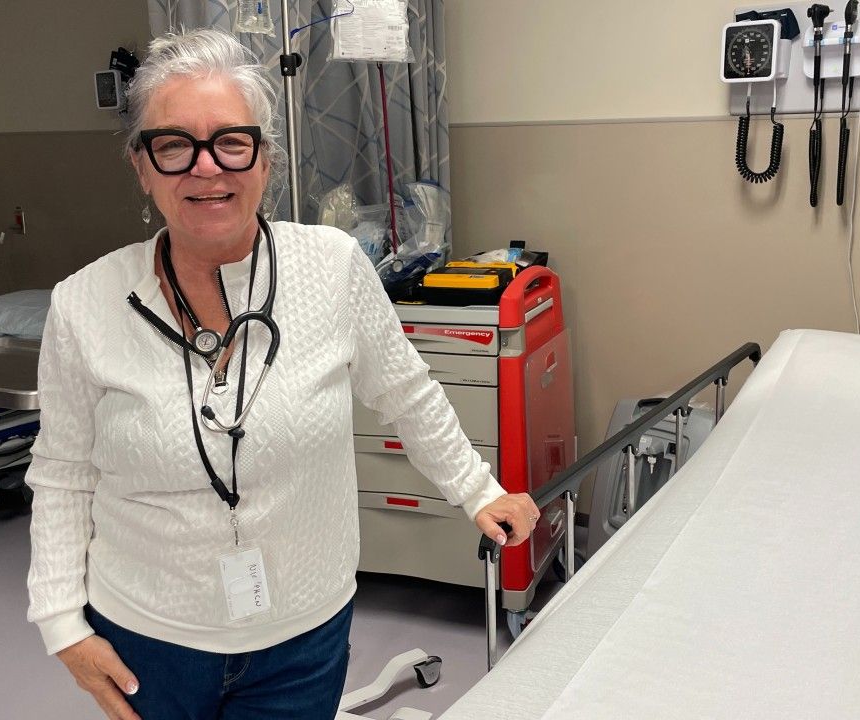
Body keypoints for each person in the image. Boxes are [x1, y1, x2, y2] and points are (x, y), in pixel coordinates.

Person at [26, 28, 540, 720]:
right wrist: (63, 627)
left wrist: (478, 489)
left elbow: (406, 392)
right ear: (142, 167)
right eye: (174, 145)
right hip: (149, 640)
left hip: (302, 634)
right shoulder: (82, 304)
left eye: (231, 142)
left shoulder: (331, 268)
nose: (205, 168)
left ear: (265, 161)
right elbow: (62, 471)